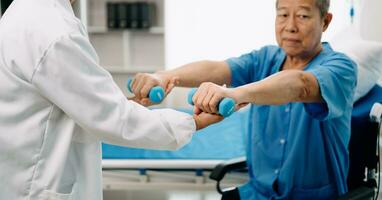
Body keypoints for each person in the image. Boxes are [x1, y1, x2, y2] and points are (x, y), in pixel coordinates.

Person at [130, 0, 357, 199]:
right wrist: (165, 76)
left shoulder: (341, 68)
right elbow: (218, 68)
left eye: (303, 16)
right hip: (258, 194)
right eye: (283, 15)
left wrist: (235, 94)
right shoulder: (265, 58)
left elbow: (302, 86)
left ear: (325, 22)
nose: (290, 26)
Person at [0, 0, 223, 199]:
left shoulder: (25, 14)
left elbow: (75, 104)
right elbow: (114, 119)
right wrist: (192, 122)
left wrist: (126, 104)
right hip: (36, 184)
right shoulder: (53, 31)